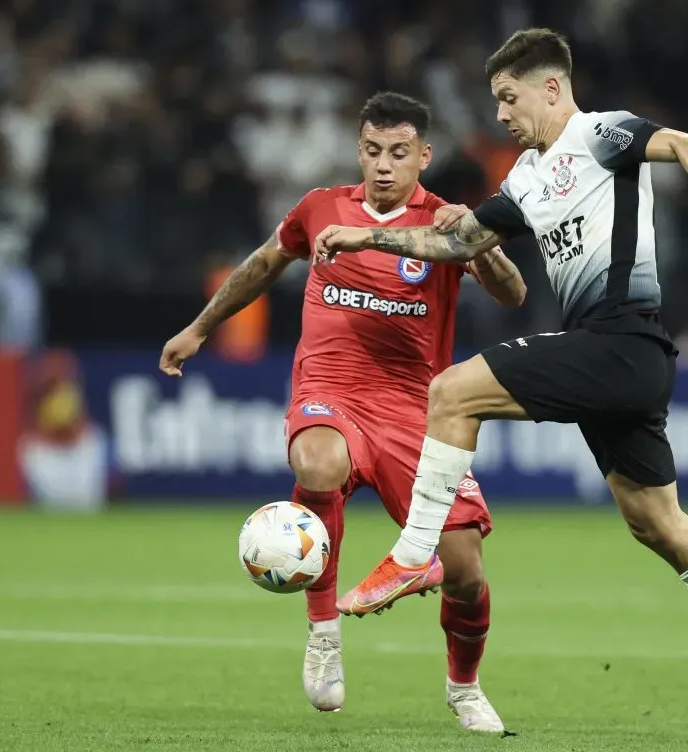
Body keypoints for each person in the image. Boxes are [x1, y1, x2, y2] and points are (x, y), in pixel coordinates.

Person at [314, 29, 688, 709]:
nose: (502, 115)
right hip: (616, 360)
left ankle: (416, 549)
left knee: (451, 392)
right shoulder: (527, 176)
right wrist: (370, 234)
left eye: (509, 99)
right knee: (655, 520)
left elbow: (686, 143)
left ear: (551, 87)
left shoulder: (603, 133)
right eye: (495, 102)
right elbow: (458, 240)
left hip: (621, 340)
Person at [160, 91, 527, 732]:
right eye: (373, 151)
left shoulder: (442, 221)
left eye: (399, 153)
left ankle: (464, 688)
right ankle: (324, 631)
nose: (384, 166)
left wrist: (481, 245)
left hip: (417, 411)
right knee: (318, 459)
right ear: (360, 150)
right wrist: (200, 327)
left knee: (465, 570)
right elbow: (260, 266)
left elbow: (514, 294)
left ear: (424, 156)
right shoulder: (320, 208)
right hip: (329, 386)